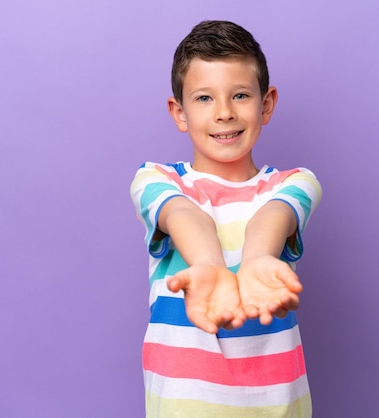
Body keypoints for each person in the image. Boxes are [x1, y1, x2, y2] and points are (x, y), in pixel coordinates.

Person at [130, 20, 322, 418]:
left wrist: (254, 262)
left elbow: (271, 217)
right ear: (178, 112)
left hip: (277, 407)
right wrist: (209, 265)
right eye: (204, 98)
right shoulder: (158, 180)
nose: (223, 113)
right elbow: (184, 214)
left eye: (239, 95)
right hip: (183, 408)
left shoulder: (294, 184)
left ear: (265, 104)